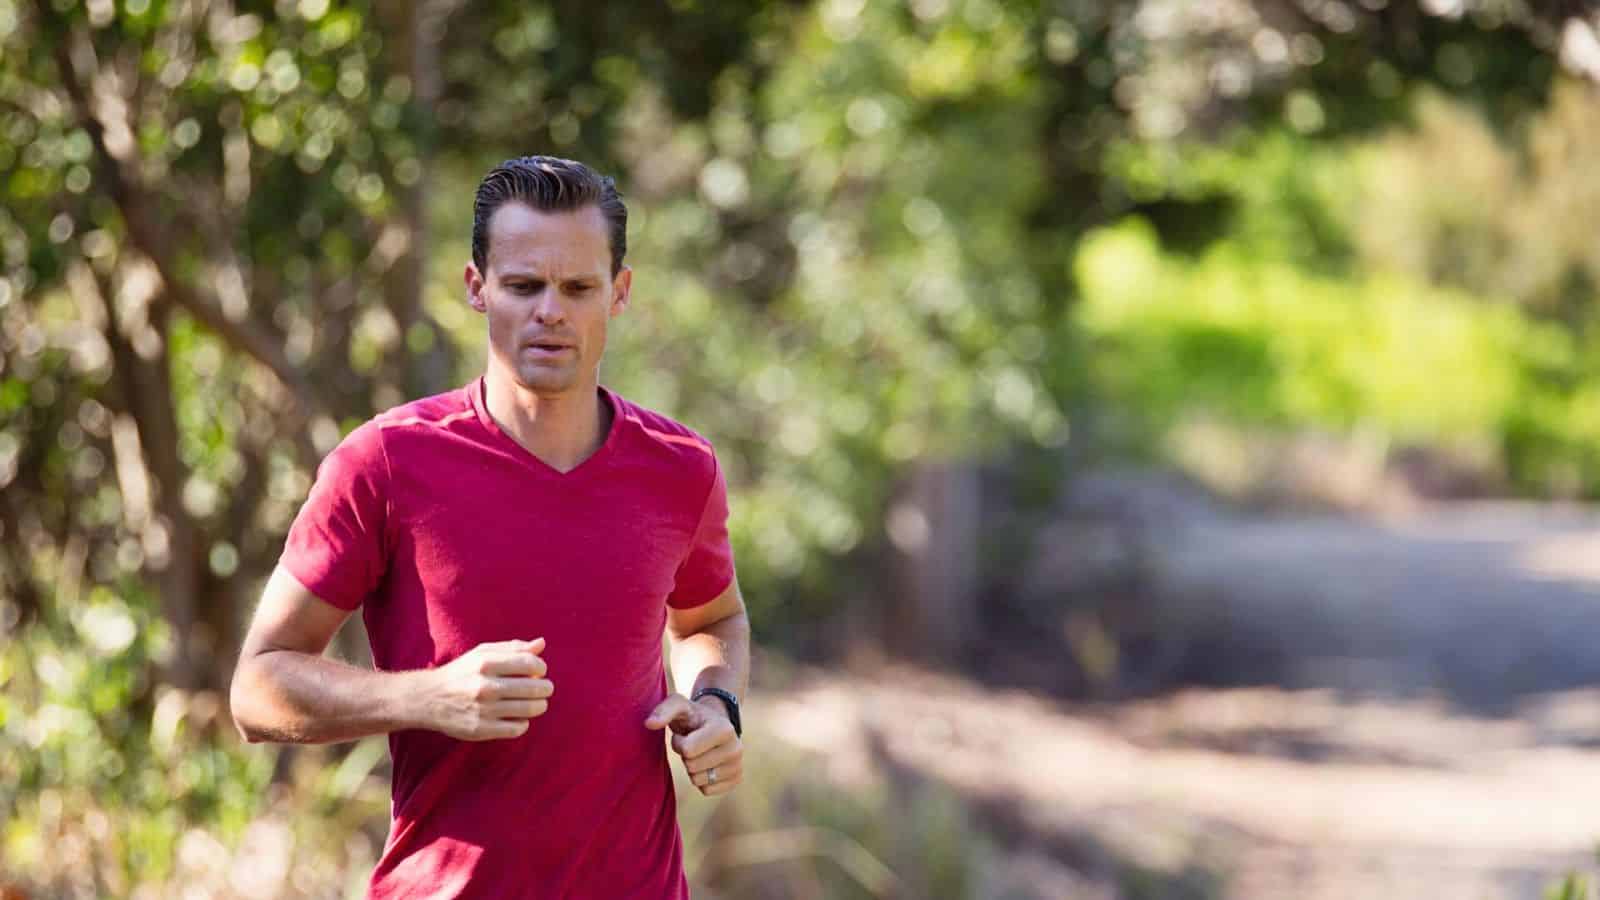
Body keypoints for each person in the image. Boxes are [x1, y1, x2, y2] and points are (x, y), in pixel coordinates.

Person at [229, 155, 750, 899]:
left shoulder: (680, 468)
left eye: (578, 288)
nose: (551, 311)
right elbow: (256, 688)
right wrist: (427, 698)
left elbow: (712, 619)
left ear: (620, 293)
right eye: (523, 285)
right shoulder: (386, 462)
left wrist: (715, 703)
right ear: (477, 288)